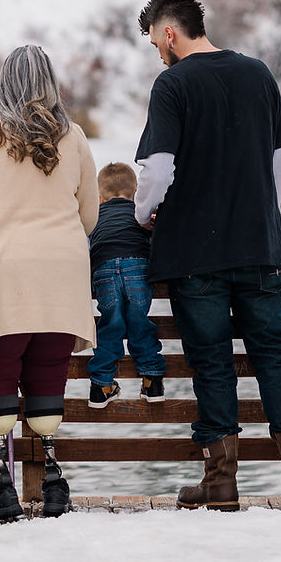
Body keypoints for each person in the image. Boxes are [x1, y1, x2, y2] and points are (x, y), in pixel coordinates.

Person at [134, 0, 281, 512]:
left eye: (155, 43)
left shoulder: (172, 85)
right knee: (273, 354)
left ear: (169, 33)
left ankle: (221, 482)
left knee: (212, 362)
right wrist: (259, 215)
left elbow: (157, 168)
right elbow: (277, 163)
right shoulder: (257, 72)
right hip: (259, 246)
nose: (158, 53)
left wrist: (143, 214)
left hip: (196, 257)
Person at [0, 44, 99, 520]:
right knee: (48, 377)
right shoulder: (75, 138)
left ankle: (2, 485)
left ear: (4, 80)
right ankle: (53, 480)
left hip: (0, 278)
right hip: (62, 279)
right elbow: (89, 215)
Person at [87, 162, 166, 408]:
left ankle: (101, 385)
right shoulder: (139, 214)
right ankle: (152, 381)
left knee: (111, 324)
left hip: (104, 268)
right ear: (135, 194)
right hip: (137, 269)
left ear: (99, 197)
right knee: (139, 321)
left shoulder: (95, 216)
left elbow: (88, 246)